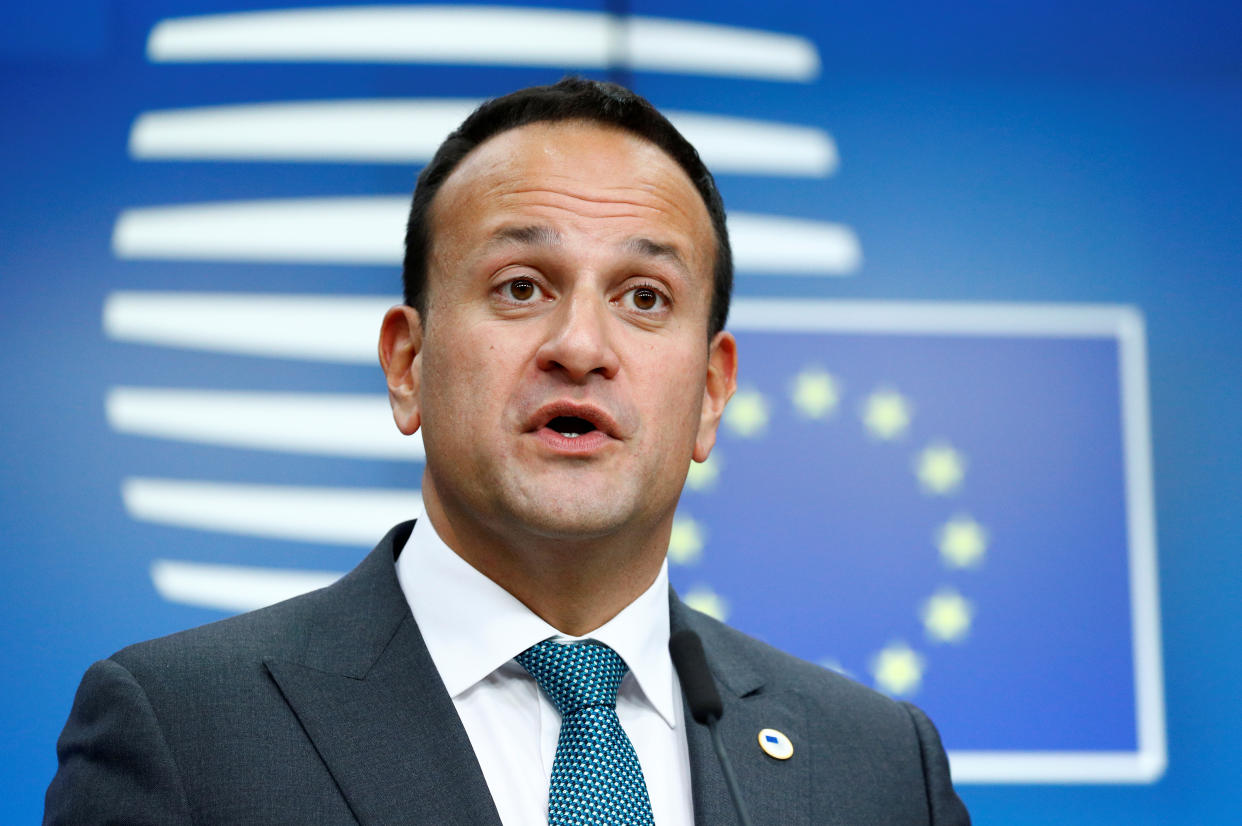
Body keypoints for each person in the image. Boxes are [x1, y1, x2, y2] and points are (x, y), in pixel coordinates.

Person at [45, 78, 970, 825]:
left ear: (712, 394)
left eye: (645, 297)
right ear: (408, 365)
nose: (582, 344)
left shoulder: (881, 768)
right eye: (522, 286)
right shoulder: (184, 729)